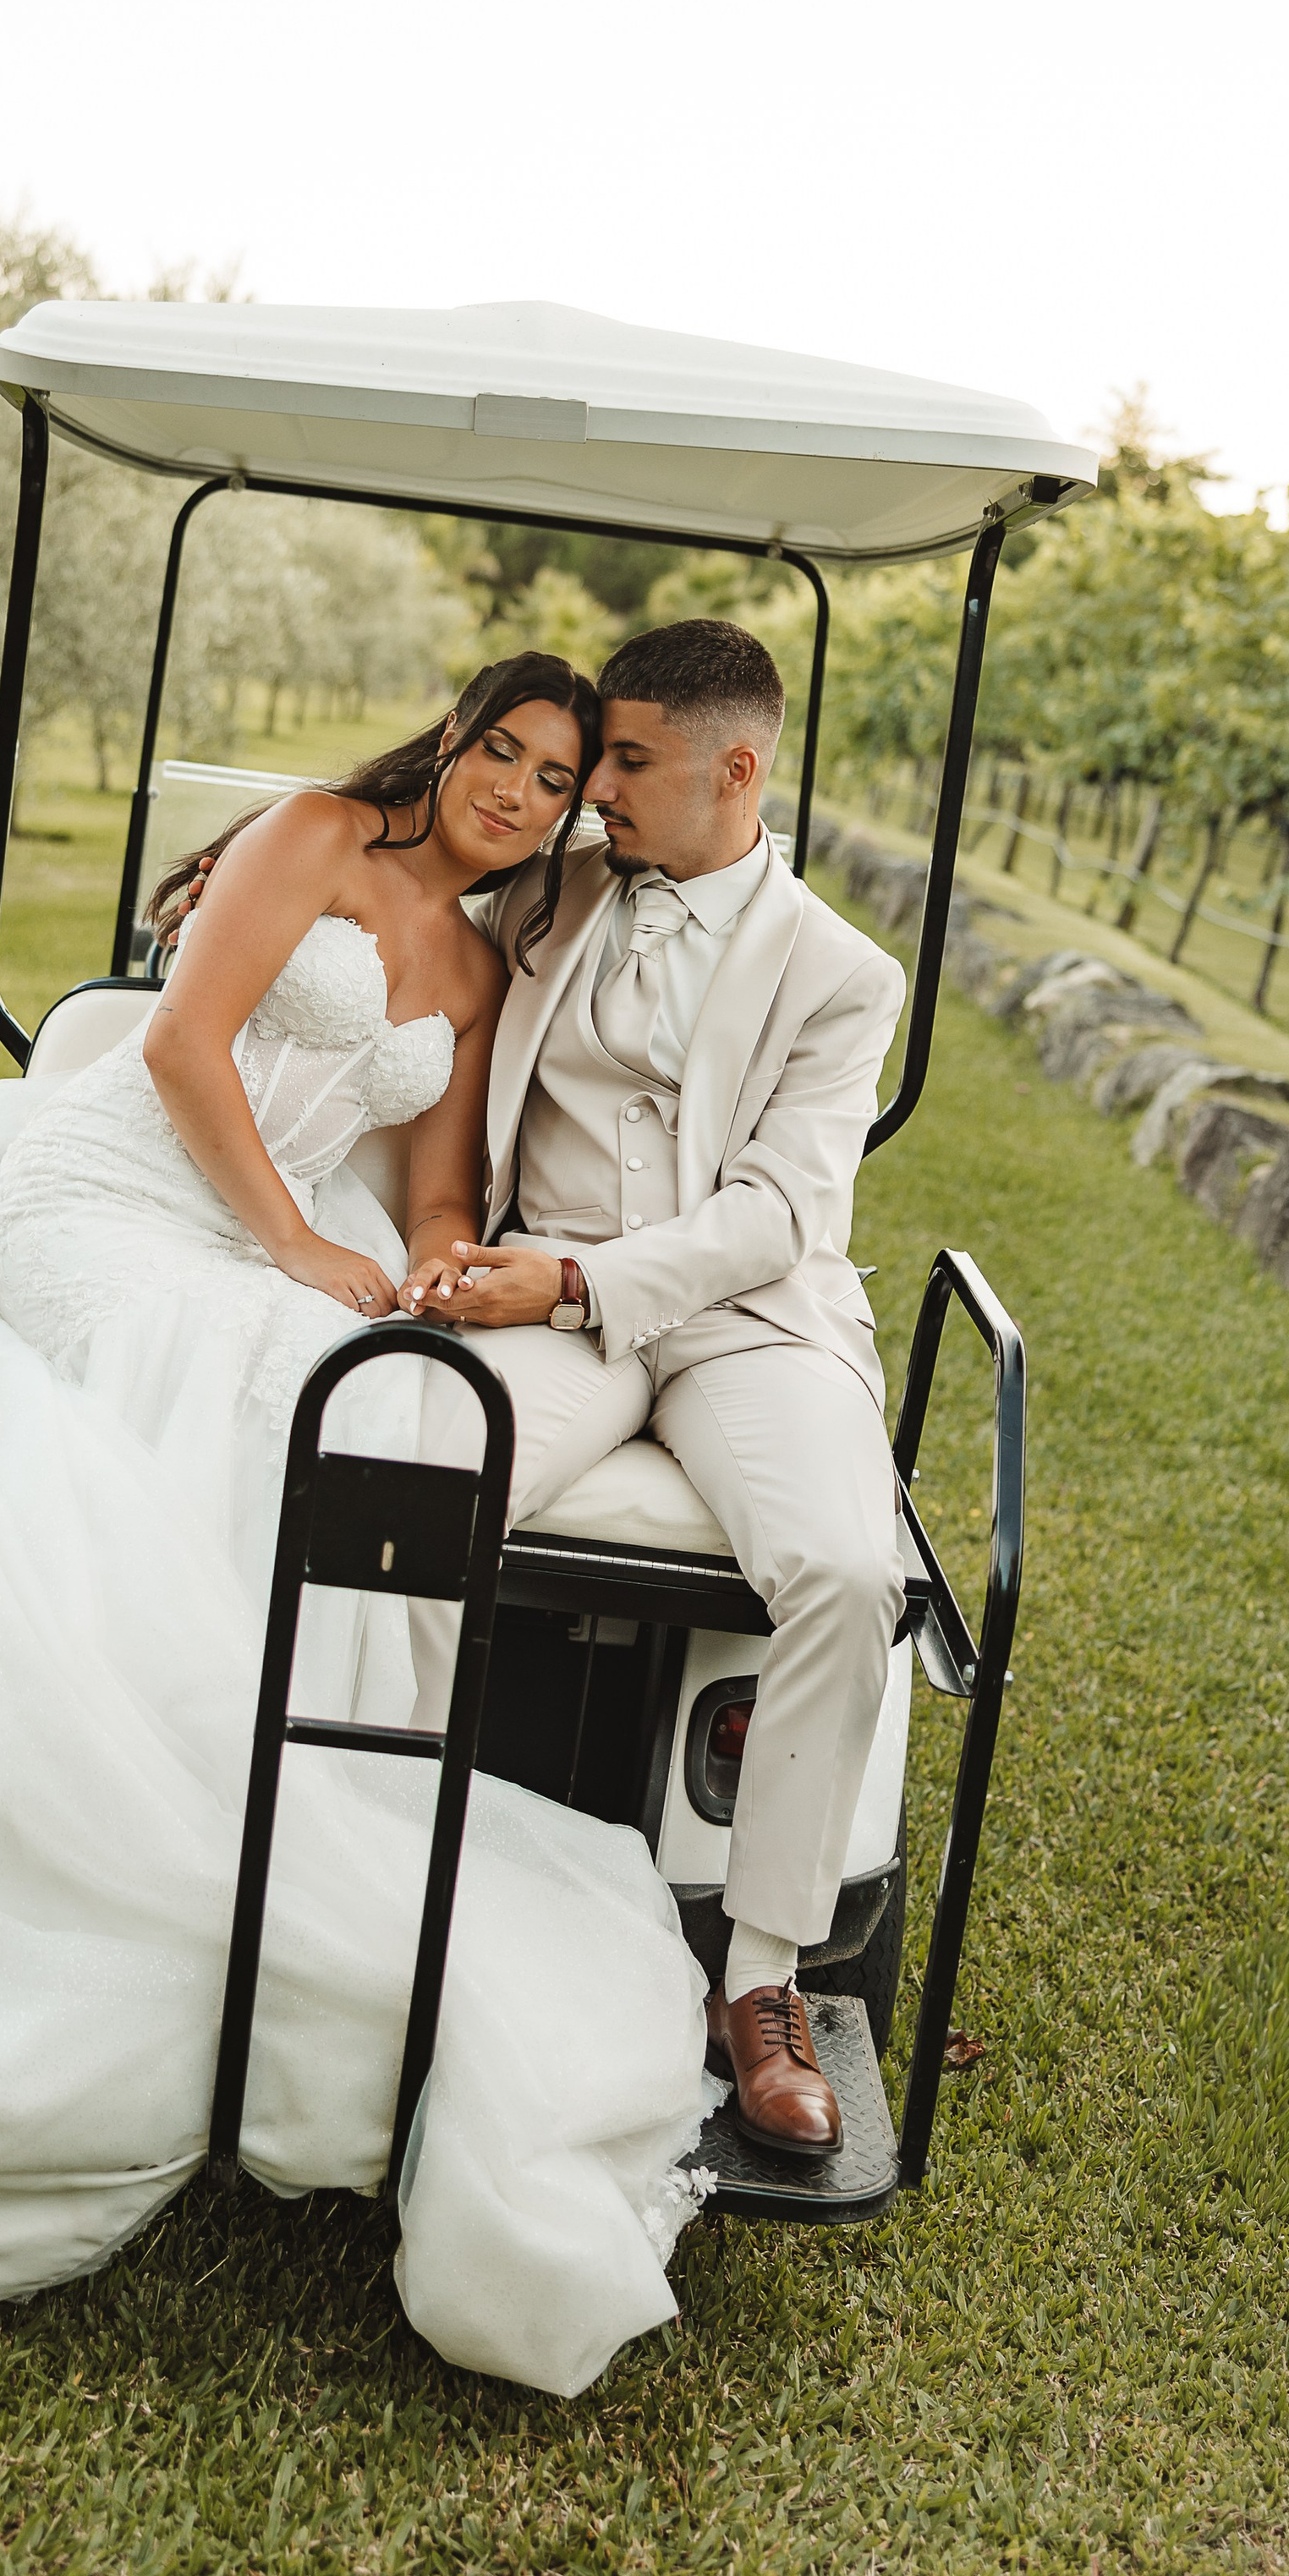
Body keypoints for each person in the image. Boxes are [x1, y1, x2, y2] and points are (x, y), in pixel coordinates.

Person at [0, 655, 715, 2400]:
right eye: (504, 753)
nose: (519, 793)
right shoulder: (314, 835)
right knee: (245, 1369)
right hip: (115, 1199)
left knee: (382, 1401)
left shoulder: (473, 966)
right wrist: (297, 1252)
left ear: (562, 814)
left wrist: (426, 1269)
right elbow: (175, 1045)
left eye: (554, 781)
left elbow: (437, 1179)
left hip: (278, 1234)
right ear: (452, 742)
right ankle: (132, 1795)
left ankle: (283, 1768)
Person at [402, 618, 908, 2159]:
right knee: (413, 1497)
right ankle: (391, 1880)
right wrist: (246, 880)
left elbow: (775, 1214)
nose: (589, 789)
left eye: (624, 762)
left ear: (733, 769)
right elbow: (396, 861)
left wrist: (570, 1283)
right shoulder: (556, 883)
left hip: (737, 1320)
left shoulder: (841, 974)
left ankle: (760, 1981)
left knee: (839, 1569)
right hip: (542, 1300)